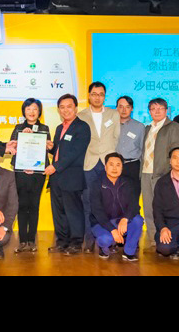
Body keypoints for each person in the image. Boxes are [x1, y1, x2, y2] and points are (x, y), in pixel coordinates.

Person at [77, 82, 121, 252]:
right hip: (89, 163)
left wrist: (109, 156)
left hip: (108, 164)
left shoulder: (113, 114)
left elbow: (116, 137)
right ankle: (89, 241)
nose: (97, 97)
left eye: (101, 94)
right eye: (94, 94)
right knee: (88, 203)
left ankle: (111, 240)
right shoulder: (81, 115)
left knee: (111, 203)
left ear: (105, 96)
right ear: (89, 96)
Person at [46, 94, 91, 255]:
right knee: (59, 212)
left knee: (73, 211)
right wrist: (51, 147)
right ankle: (62, 242)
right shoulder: (60, 128)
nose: (65, 110)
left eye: (69, 106)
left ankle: (76, 243)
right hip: (57, 177)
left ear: (76, 108)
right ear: (59, 110)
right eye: (62, 107)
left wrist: (55, 166)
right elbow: (60, 151)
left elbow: (75, 153)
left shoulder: (82, 127)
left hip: (71, 176)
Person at [140, 98, 179, 246]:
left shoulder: (174, 127)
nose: (157, 111)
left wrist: (171, 171)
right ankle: (154, 239)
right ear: (149, 112)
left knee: (166, 209)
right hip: (146, 173)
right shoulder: (147, 128)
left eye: (160, 108)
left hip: (163, 173)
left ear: (166, 110)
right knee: (148, 208)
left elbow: (177, 151)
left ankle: (170, 240)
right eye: (153, 109)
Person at [9, 98, 50, 252]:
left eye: (35, 109)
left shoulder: (44, 128)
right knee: (22, 205)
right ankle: (22, 240)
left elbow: (47, 148)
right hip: (21, 172)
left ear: (39, 112)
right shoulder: (18, 128)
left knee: (34, 205)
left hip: (37, 173)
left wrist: (36, 136)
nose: (32, 112)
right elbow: (12, 149)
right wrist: (21, 138)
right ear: (24, 111)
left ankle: (32, 240)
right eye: (28, 109)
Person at [90, 153, 143, 261]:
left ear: (122, 168)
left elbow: (134, 205)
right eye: (111, 164)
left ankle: (129, 252)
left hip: (121, 221)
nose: (114, 168)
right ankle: (104, 249)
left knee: (138, 220)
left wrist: (125, 218)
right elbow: (97, 211)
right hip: (102, 223)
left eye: (118, 165)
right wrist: (112, 230)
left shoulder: (128, 183)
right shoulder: (97, 184)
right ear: (105, 167)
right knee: (106, 239)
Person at [115, 95, 144, 195]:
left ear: (132, 109)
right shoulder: (110, 125)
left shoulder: (139, 126)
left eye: (127, 107)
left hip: (132, 166)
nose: (124, 110)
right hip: (114, 166)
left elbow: (143, 150)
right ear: (116, 108)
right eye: (121, 106)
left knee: (132, 197)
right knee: (113, 198)